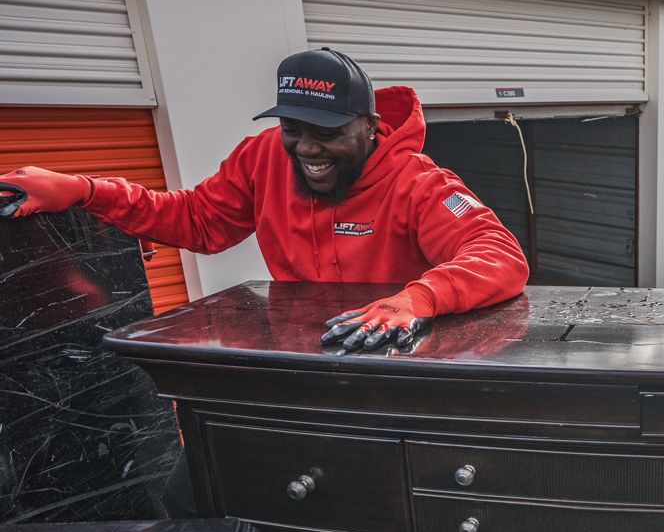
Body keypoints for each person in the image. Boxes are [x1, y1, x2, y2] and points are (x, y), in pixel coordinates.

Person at [0, 47, 529, 352]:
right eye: (294, 130)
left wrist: (417, 300)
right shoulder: (263, 159)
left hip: (393, 368)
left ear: (370, 125)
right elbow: (197, 221)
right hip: (301, 365)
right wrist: (85, 191)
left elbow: (500, 255)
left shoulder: (418, 183)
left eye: (327, 131)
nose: (308, 149)